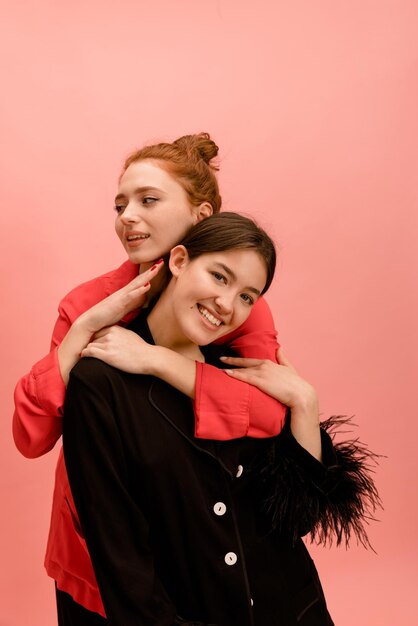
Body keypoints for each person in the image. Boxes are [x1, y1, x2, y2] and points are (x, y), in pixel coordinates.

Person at [12, 134, 288, 618]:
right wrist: (83, 330)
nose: (126, 217)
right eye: (120, 204)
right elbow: (31, 436)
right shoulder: (87, 303)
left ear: (201, 216)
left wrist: (159, 361)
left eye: (148, 200)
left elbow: (267, 414)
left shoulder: (236, 307)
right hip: (96, 548)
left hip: (196, 551)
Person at [63, 213, 379, 626]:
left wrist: (304, 402)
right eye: (219, 276)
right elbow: (123, 566)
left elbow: (298, 520)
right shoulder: (100, 383)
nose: (228, 305)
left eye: (248, 296)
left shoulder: (244, 373)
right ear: (178, 261)